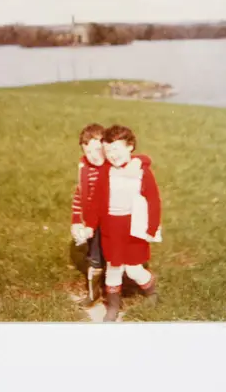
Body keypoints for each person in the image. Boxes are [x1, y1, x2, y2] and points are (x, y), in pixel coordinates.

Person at [83, 124, 162, 322]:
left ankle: (151, 291)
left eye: (116, 149)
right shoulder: (105, 172)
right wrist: (90, 225)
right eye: (108, 151)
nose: (112, 155)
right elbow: (96, 202)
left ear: (130, 147)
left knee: (134, 269)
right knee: (114, 267)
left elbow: (153, 200)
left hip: (134, 229)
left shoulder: (141, 171)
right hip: (111, 229)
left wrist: (152, 227)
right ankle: (113, 306)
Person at [70, 123, 151, 307]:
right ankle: (94, 293)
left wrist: (141, 161)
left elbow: (140, 159)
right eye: (88, 152)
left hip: (113, 221)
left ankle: (117, 293)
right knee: (95, 259)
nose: (94, 156)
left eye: (98, 150)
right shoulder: (85, 167)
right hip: (93, 223)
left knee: (116, 259)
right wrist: (76, 221)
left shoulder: (114, 164)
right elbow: (79, 194)